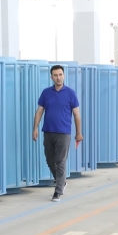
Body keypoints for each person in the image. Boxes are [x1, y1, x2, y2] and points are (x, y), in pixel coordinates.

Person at [32, 65, 83, 202]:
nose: (58, 77)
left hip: (64, 133)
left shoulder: (70, 93)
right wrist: (35, 128)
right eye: (55, 75)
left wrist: (79, 133)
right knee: (50, 160)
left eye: (60, 75)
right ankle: (62, 181)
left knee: (60, 161)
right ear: (51, 77)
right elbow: (39, 111)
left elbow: (76, 115)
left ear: (64, 76)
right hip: (48, 131)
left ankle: (58, 191)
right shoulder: (46, 93)